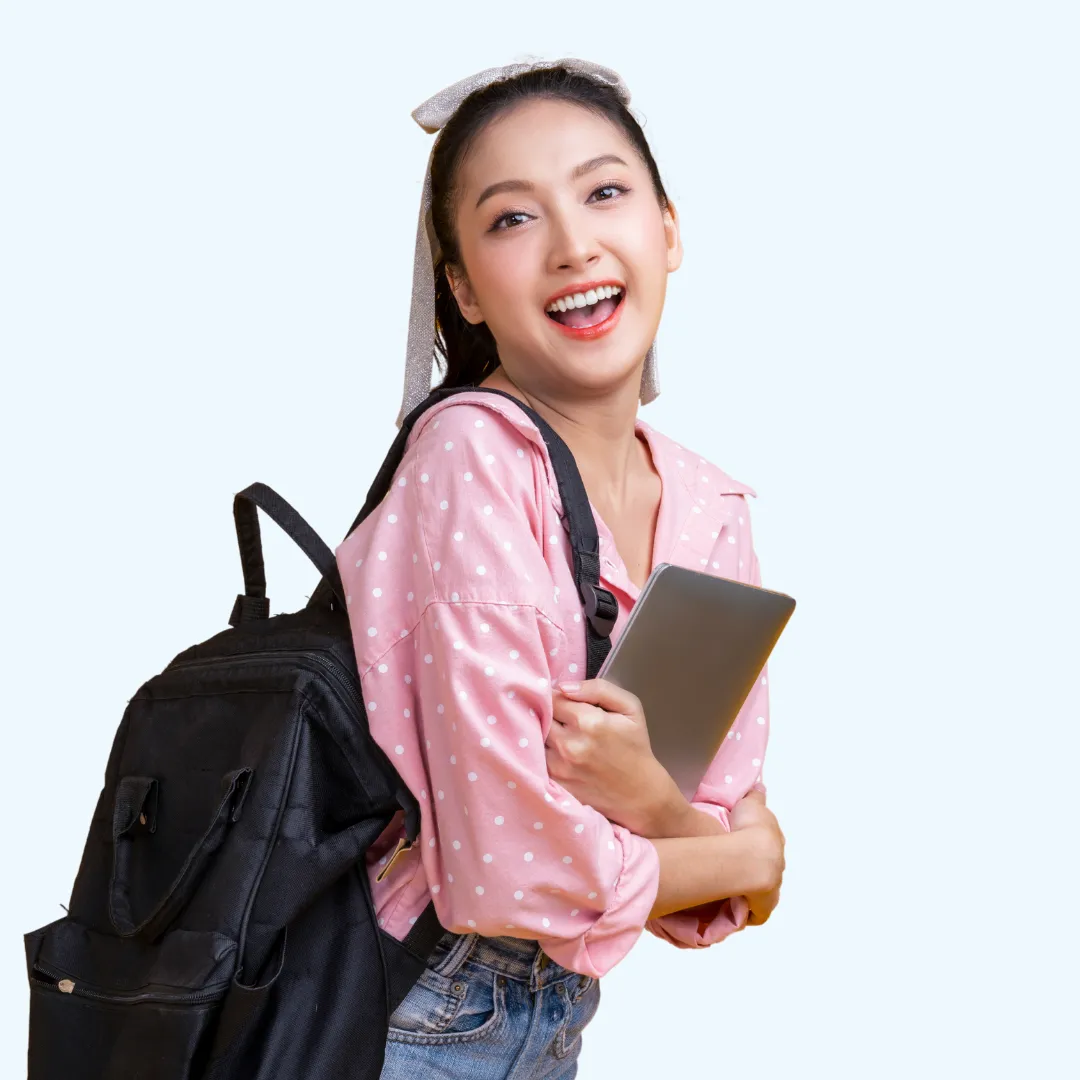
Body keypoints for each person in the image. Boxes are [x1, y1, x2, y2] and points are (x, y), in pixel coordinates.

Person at [336, 58, 787, 1080]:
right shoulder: (469, 455)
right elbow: (507, 873)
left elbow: (725, 862)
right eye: (510, 219)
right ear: (461, 287)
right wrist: (734, 854)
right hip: (409, 1008)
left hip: (544, 1019)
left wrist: (672, 819)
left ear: (669, 229)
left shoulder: (711, 506)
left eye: (605, 192)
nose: (574, 243)